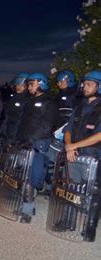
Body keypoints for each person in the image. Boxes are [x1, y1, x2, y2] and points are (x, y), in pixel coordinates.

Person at [63, 70, 101, 240]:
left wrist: (74, 146)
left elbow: (99, 135)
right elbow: (68, 129)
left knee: (93, 192)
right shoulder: (79, 107)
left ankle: (90, 226)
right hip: (74, 154)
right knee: (72, 187)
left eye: (89, 84)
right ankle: (68, 220)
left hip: (93, 155)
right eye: (84, 84)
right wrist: (69, 147)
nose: (85, 87)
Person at [17, 72, 59, 223]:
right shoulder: (29, 101)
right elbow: (22, 122)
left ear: (41, 84)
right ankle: (23, 202)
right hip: (24, 142)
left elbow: (46, 126)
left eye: (31, 84)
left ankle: (27, 210)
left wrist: (31, 139)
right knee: (22, 173)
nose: (28, 87)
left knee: (31, 176)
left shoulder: (50, 103)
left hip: (38, 143)